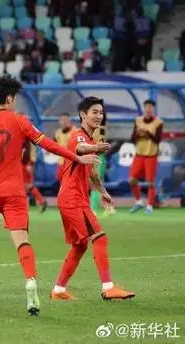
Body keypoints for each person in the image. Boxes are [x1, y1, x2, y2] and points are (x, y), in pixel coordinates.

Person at [0, 75, 99, 314]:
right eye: (15, 98)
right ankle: (30, 280)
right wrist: (76, 157)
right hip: (14, 190)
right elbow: (48, 145)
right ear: (9, 98)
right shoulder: (20, 121)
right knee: (22, 239)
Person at [51, 96, 135, 301]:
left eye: (101, 112)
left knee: (80, 245)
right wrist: (96, 148)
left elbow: (93, 175)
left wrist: (103, 192)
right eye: (94, 112)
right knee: (100, 237)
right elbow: (80, 149)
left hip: (71, 198)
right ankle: (108, 288)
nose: (99, 116)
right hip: (73, 198)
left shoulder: (89, 140)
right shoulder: (77, 136)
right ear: (83, 115)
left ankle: (58, 290)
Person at [129, 99, 163, 214]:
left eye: (150, 107)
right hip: (139, 155)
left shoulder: (158, 122)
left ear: (153, 109)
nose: (148, 109)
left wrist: (147, 133)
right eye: (146, 107)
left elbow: (158, 139)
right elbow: (132, 139)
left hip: (151, 155)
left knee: (150, 181)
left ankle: (149, 206)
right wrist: (138, 134)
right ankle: (138, 201)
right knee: (132, 180)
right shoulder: (138, 121)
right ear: (144, 108)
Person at [54, 113, 74, 180]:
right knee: (60, 179)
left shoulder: (75, 131)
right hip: (61, 162)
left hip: (71, 162)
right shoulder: (58, 133)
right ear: (60, 121)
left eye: (66, 120)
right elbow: (54, 144)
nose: (64, 122)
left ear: (69, 120)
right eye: (62, 120)